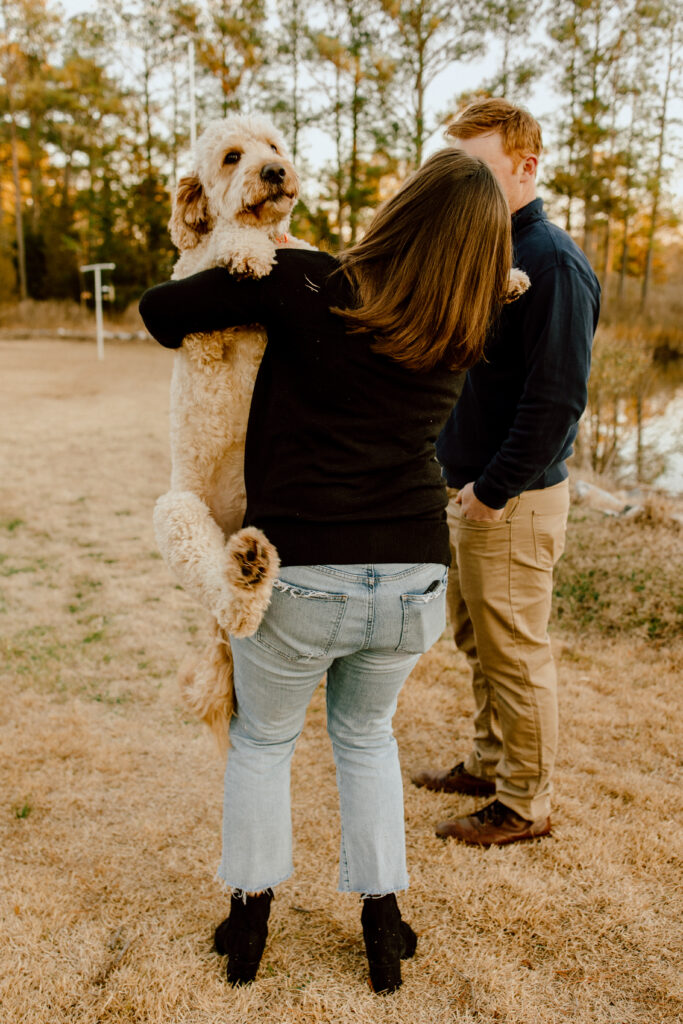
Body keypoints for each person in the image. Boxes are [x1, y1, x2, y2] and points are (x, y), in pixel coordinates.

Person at [139, 148, 512, 993]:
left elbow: (162, 311)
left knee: (264, 744)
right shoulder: (468, 321)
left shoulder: (302, 281)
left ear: (400, 211)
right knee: (366, 739)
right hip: (414, 578)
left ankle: (248, 923)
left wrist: (251, 279)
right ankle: (383, 924)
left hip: (303, 577)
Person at [411, 99, 601, 846]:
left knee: (515, 654)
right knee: (478, 643)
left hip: (510, 501)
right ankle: (489, 764)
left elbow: (556, 399)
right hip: (469, 492)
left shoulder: (550, 262)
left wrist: (491, 492)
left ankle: (523, 804)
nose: (463, 185)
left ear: (526, 167)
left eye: (478, 171)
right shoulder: (483, 249)